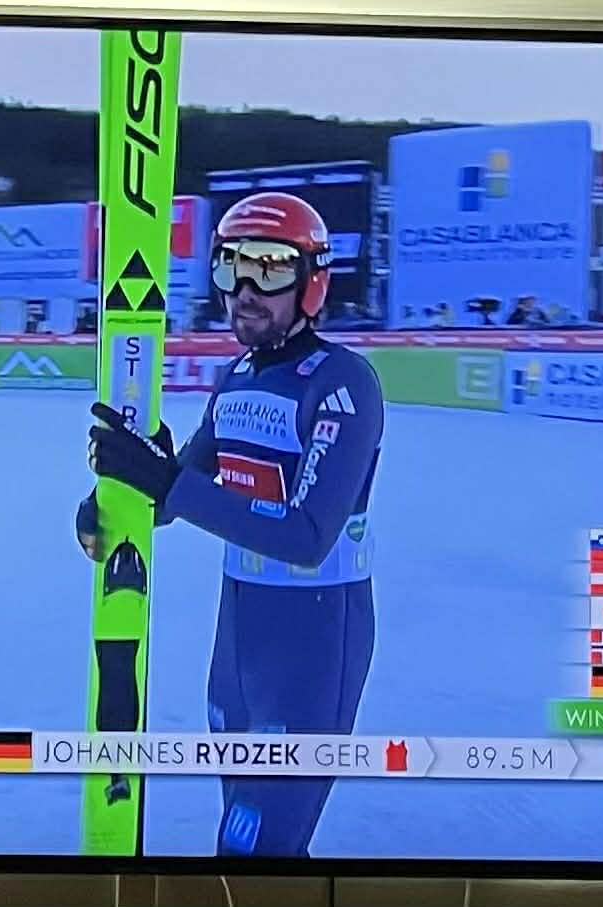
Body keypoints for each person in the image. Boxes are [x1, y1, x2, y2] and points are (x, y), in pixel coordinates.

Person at [75, 192, 384, 858]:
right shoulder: (236, 378)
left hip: (313, 642)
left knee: (256, 850)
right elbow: (174, 491)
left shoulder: (342, 382)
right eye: (230, 266)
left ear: (312, 281)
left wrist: (169, 483)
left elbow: (307, 535)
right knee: (250, 843)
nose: (245, 290)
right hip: (240, 644)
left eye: (269, 269)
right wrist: (115, 494)